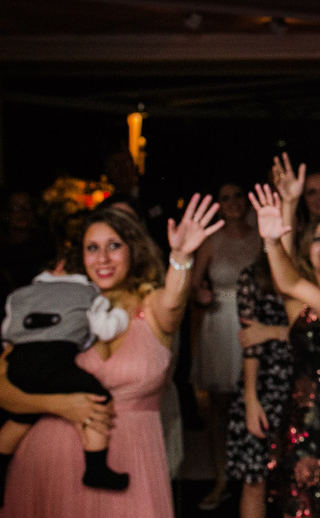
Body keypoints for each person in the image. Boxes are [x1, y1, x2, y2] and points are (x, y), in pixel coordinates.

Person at [0, 196, 223, 516]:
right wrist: (60, 405)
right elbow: (3, 385)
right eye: (92, 248)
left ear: (133, 250)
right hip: (50, 463)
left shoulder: (152, 307)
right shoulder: (61, 306)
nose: (102, 258)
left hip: (132, 462)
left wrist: (181, 256)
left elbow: (174, 301)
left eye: (114, 245)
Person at [251, 187, 320, 518]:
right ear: (307, 248)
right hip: (306, 425)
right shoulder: (296, 296)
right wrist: (280, 224)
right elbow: (285, 276)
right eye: (318, 239)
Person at [0, 258, 131, 503]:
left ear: (57, 267)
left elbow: (7, 331)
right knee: (97, 398)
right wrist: (120, 317)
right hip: (55, 361)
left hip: (18, 362)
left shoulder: (18, 295)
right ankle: (96, 468)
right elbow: (104, 329)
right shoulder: (88, 292)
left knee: (20, 417)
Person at [191, 181, 262, 510]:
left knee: (255, 402)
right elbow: (191, 287)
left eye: (237, 196)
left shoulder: (260, 235)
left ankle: (257, 478)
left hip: (254, 323)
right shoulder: (209, 240)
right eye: (225, 198)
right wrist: (200, 295)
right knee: (220, 407)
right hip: (219, 324)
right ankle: (222, 477)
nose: (232, 202)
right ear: (217, 205)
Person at [225, 246, 294, 518]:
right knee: (255, 478)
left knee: (300, 479)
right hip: (266, 381)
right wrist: (251, 399)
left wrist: (273, 332)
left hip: (306, 380)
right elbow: (250, 343)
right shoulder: (253, 275)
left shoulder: (311, 271)